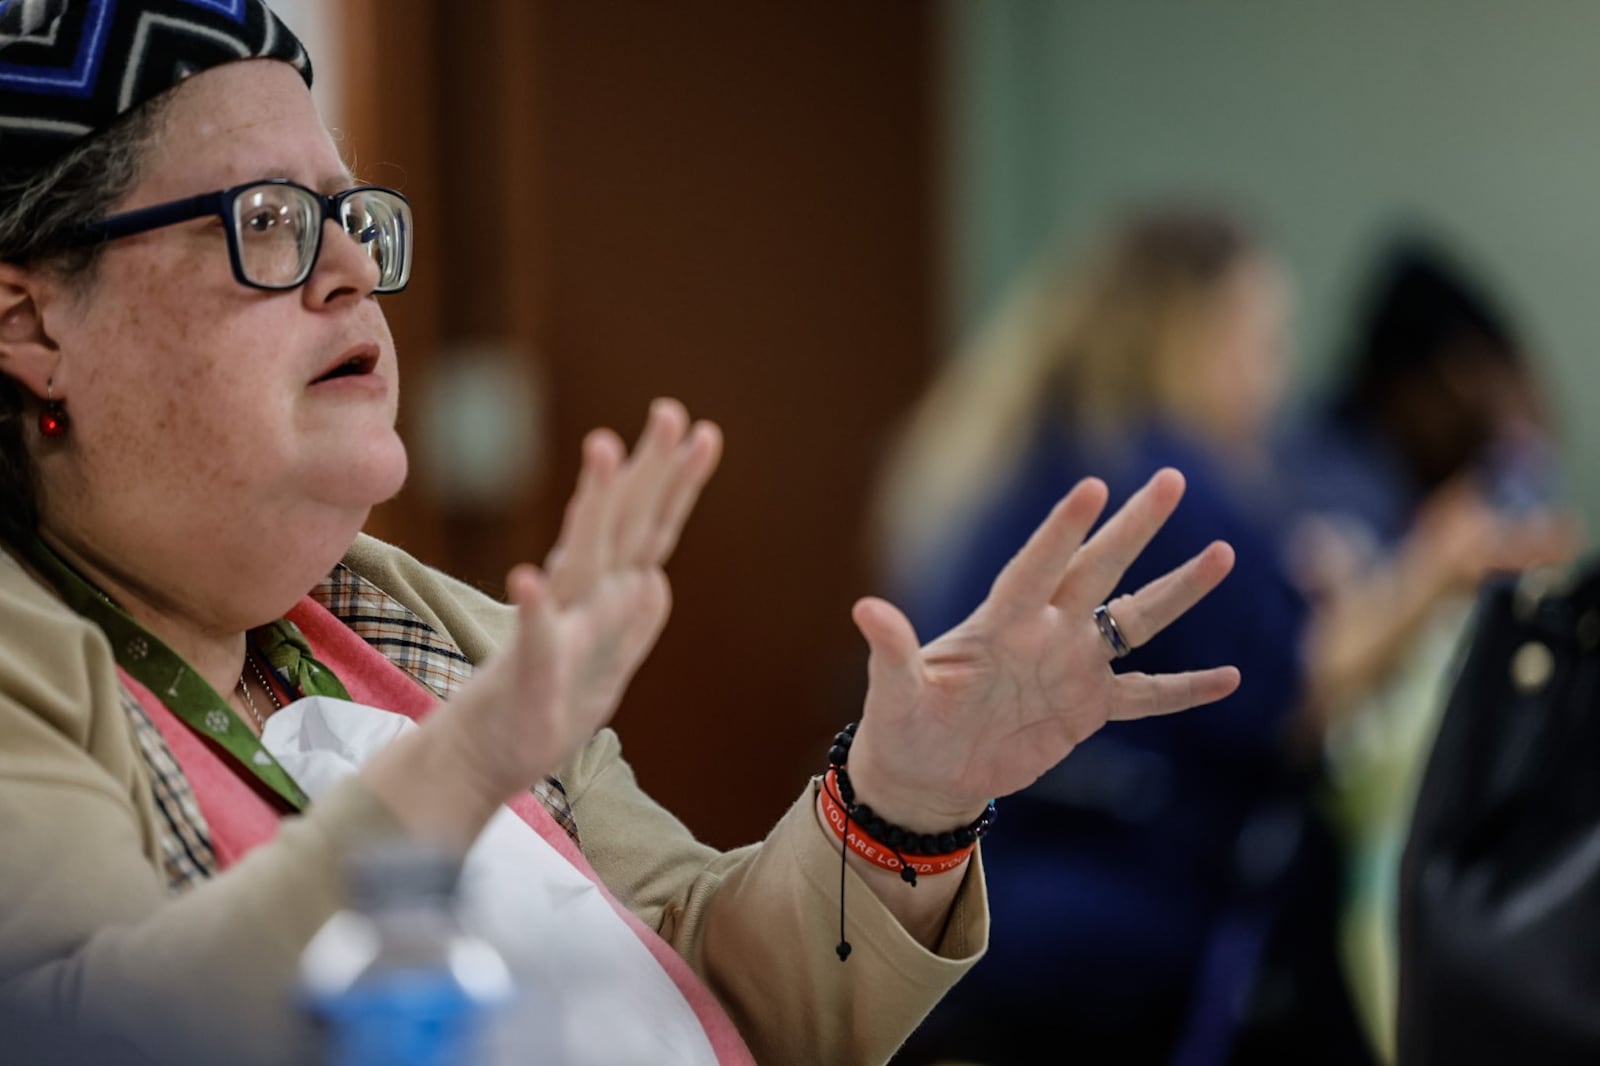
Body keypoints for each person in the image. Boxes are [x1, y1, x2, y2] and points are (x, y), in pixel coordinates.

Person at [0, 4, 1242, 1065]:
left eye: (351, 219)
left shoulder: (428, 627)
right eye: (267, 221)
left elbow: (715, 981)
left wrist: (904, 800)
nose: (350, 272)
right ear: (31, 323)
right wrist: (472, 757)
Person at [873, 204, 1385, 1065]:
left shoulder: (1026, 450)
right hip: (1095, 922)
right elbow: (1291, 701)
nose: (1280, 378)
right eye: (1265, 342)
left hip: (963, 893)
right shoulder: (1168, 480)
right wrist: (1445, 568)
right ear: (1195, 334)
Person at [1271, 230, 1582, 1062]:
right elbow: (1306, 692)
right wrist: (1432, 571)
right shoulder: (1323, 489)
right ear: (1436, 378)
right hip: (1321, 891)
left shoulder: (1433, 483)